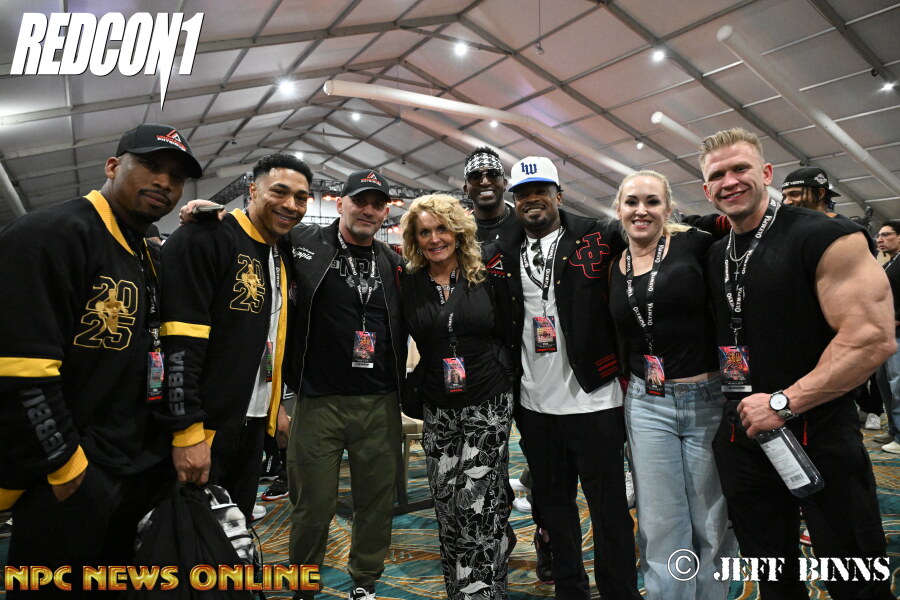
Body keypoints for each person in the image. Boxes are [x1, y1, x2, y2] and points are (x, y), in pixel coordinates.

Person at [0, 123, 201, 587]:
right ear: (112, 166)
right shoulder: (50, 234)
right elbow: (20, 369)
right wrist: (65, 465)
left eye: (176, 176)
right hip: (71, 477)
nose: (164, 182)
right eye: (150, 165)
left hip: (133, 472)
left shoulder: (146, 254)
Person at [701, 128, 895, 599]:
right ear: (707, 190)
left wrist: (784, 403)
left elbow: (871, 338)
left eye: (740, 168)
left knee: (853, 573)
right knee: (771, 575)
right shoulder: (716, 254)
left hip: (818, 429)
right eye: (718, 175)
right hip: (744, 433)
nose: (730, 181)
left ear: (767, 173)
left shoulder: (826, 236)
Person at [487, 156, 641, 600]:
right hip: (535, 406)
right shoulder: (500, 251)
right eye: (522, 193)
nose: (531, 199)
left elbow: (656, 231)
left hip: (596, 398)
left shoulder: (600, 235)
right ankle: (570, 590)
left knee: (609, 510)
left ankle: (619, 591)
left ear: (559, 194)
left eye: (540, 190)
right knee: (554, 509)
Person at [158, 152, 307, 521]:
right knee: (190, 537)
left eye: (301, 197)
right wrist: (187, 431)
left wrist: (277, 406)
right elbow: (178, 343)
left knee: (234, 533)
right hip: (204, 428)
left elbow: (267, 337)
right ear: (251, 190)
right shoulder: (207, 237)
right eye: (279, 192)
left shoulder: (280, 252)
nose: (291, 205)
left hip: (252, 425)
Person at [608, 170, 736, 600]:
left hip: (707, 399)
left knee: (711, 518)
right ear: (618, 209)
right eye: (631, 202)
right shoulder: (615, 265)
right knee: (660, 521)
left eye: (652, 201)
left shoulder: (694, 244)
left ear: (668, 208)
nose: (641, 210)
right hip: (647, 403)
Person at [284, 169, 407, 600]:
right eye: (360, 201)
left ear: (386, 212)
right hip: (318, 401)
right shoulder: (301, 243)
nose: (368, 210)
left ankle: (365, 582)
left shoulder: (394, 263)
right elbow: (252, 236)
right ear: (340, 203)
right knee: (312, 506)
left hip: (379, 402)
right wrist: (213, 217)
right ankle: (303, 585)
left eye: (377, 204)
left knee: (375, 503)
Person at [399, 194, 515, 600]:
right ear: (414, 239)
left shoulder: (486, 275)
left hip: (488, 401)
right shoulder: (409, 283)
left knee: (475, 504)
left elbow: (508, 331)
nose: (434, 239)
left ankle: (481, 594)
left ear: (458, 231)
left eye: (442, 229)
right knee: (447, 504)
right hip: (438, 406)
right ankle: (460, 588)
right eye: (424, 232)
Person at [462, 145, 555, 582]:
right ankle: (499, 534)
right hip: (484, 368)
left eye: (491, 175)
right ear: (466, 187)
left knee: (544, 460)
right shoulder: (460, 232)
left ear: (504, 183)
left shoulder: (527, 223)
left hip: (537, 363)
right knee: (486, 462)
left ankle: (547, 536)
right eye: (475, 177)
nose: (484, 182)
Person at [875, 220, 900, 453]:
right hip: (885, 334)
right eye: (878, 235)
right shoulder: (890, 263)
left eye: (886, 235)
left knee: (898, 385)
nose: (879, 239)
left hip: (897, 332)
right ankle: (894, 430)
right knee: (885, 385)